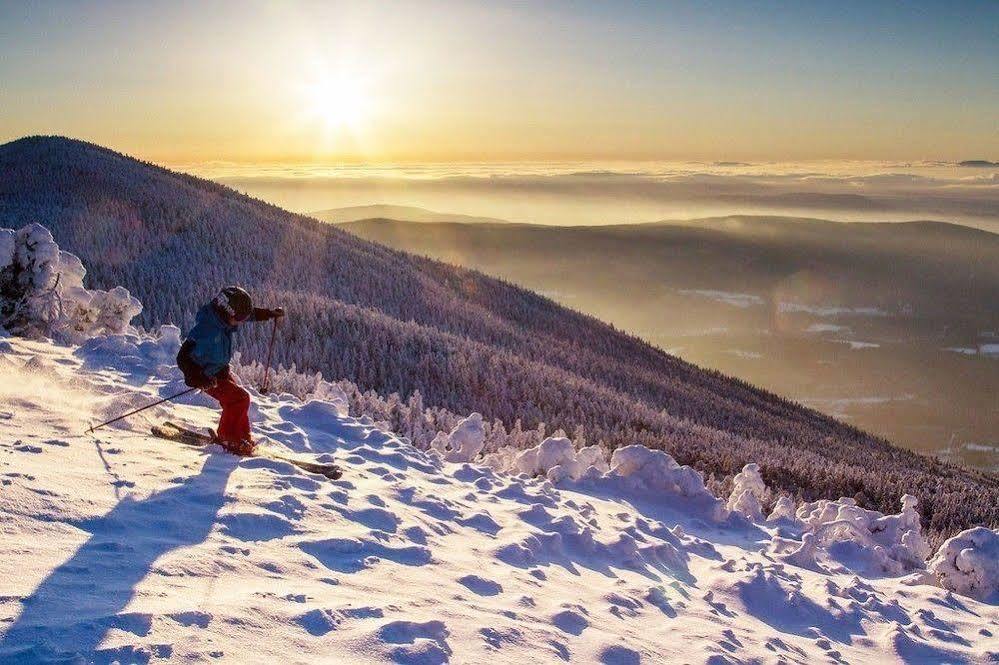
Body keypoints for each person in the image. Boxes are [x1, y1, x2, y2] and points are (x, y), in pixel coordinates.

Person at [176, 286, 284, 455]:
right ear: (227, 312)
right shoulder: (206, 330)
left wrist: (269, 313)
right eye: (239, 318)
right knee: (239, 399)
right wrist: (196, 378)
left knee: (238, 400)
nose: (242, 321)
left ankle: (241, 437)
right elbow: (182, 357)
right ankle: (228, 437)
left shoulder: (222, 318)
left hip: (219, 371)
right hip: (206, 376)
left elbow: (249, 314)